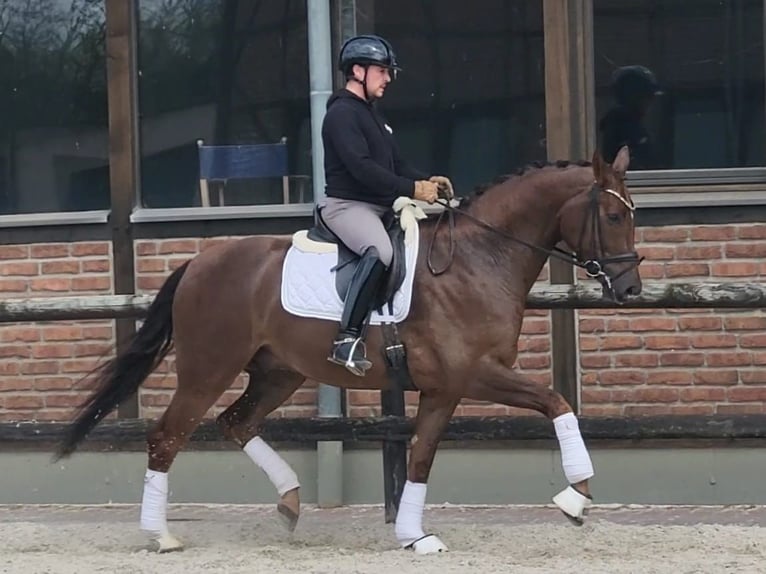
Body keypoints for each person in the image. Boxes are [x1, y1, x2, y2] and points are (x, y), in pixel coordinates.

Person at [320, 34, 454, 376]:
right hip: (348, 207)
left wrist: (429, 182)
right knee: (381, 251)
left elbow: (396, 167)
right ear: (357, 71)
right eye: (382, 71)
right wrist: (412, 189)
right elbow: (362, 170)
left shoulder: (372, 116)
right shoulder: (341, 115)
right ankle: (347, 339)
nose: (388, 78)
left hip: (379, 206)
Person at [598, 65, 663, 170]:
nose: (650, 103)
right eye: (647, 96)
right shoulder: (621, 126)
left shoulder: (631, 125)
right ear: (632, 96)